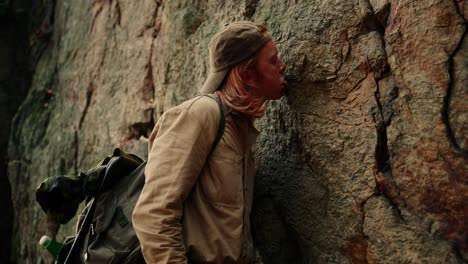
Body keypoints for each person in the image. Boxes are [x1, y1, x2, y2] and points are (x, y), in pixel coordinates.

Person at [132, 21, 288, 264]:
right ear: (247, 74)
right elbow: (152, 216)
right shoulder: (200, 114)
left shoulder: (239, 129)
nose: (282, 66)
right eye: (273, 60)